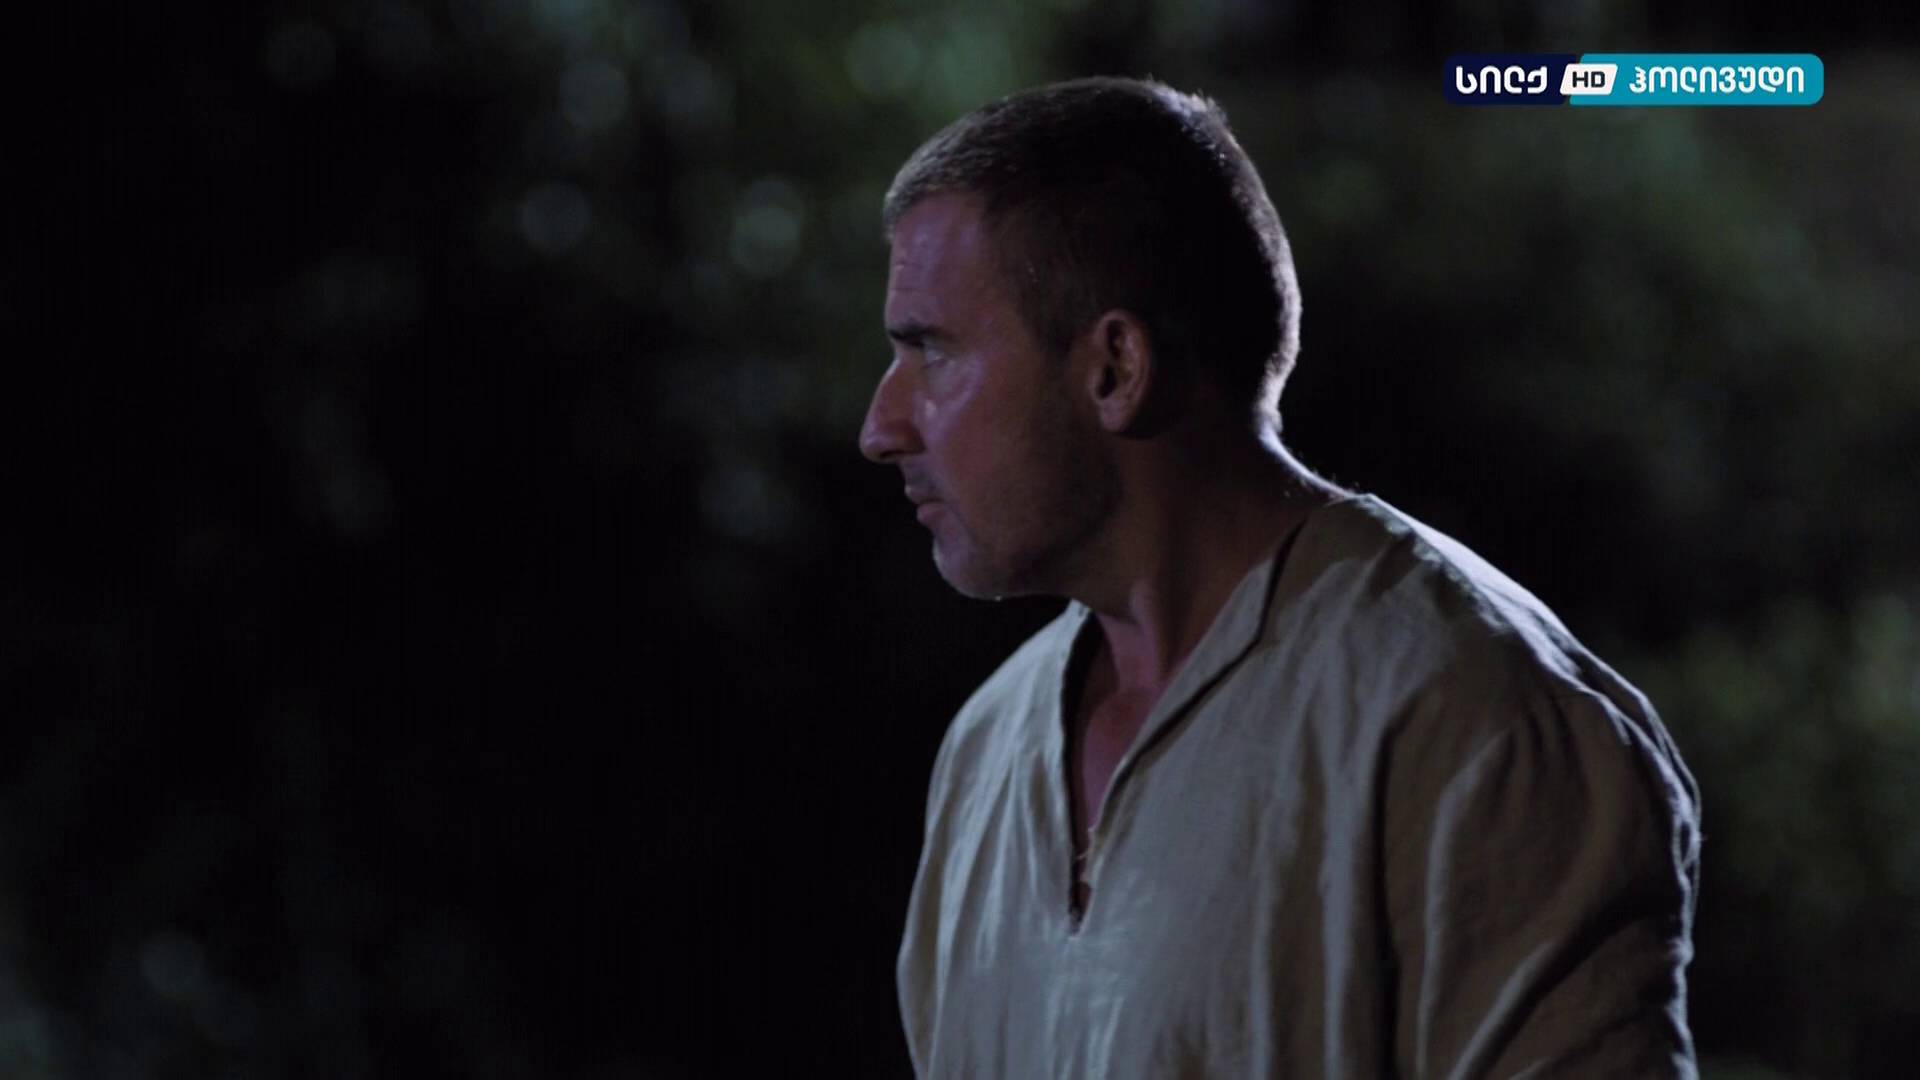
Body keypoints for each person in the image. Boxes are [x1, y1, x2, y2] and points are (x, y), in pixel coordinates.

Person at [858, 77, 1701, 1079]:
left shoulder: (1478, 721)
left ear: (1115, 367)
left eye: (932, 353)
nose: (881, 427)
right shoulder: (988, 747)